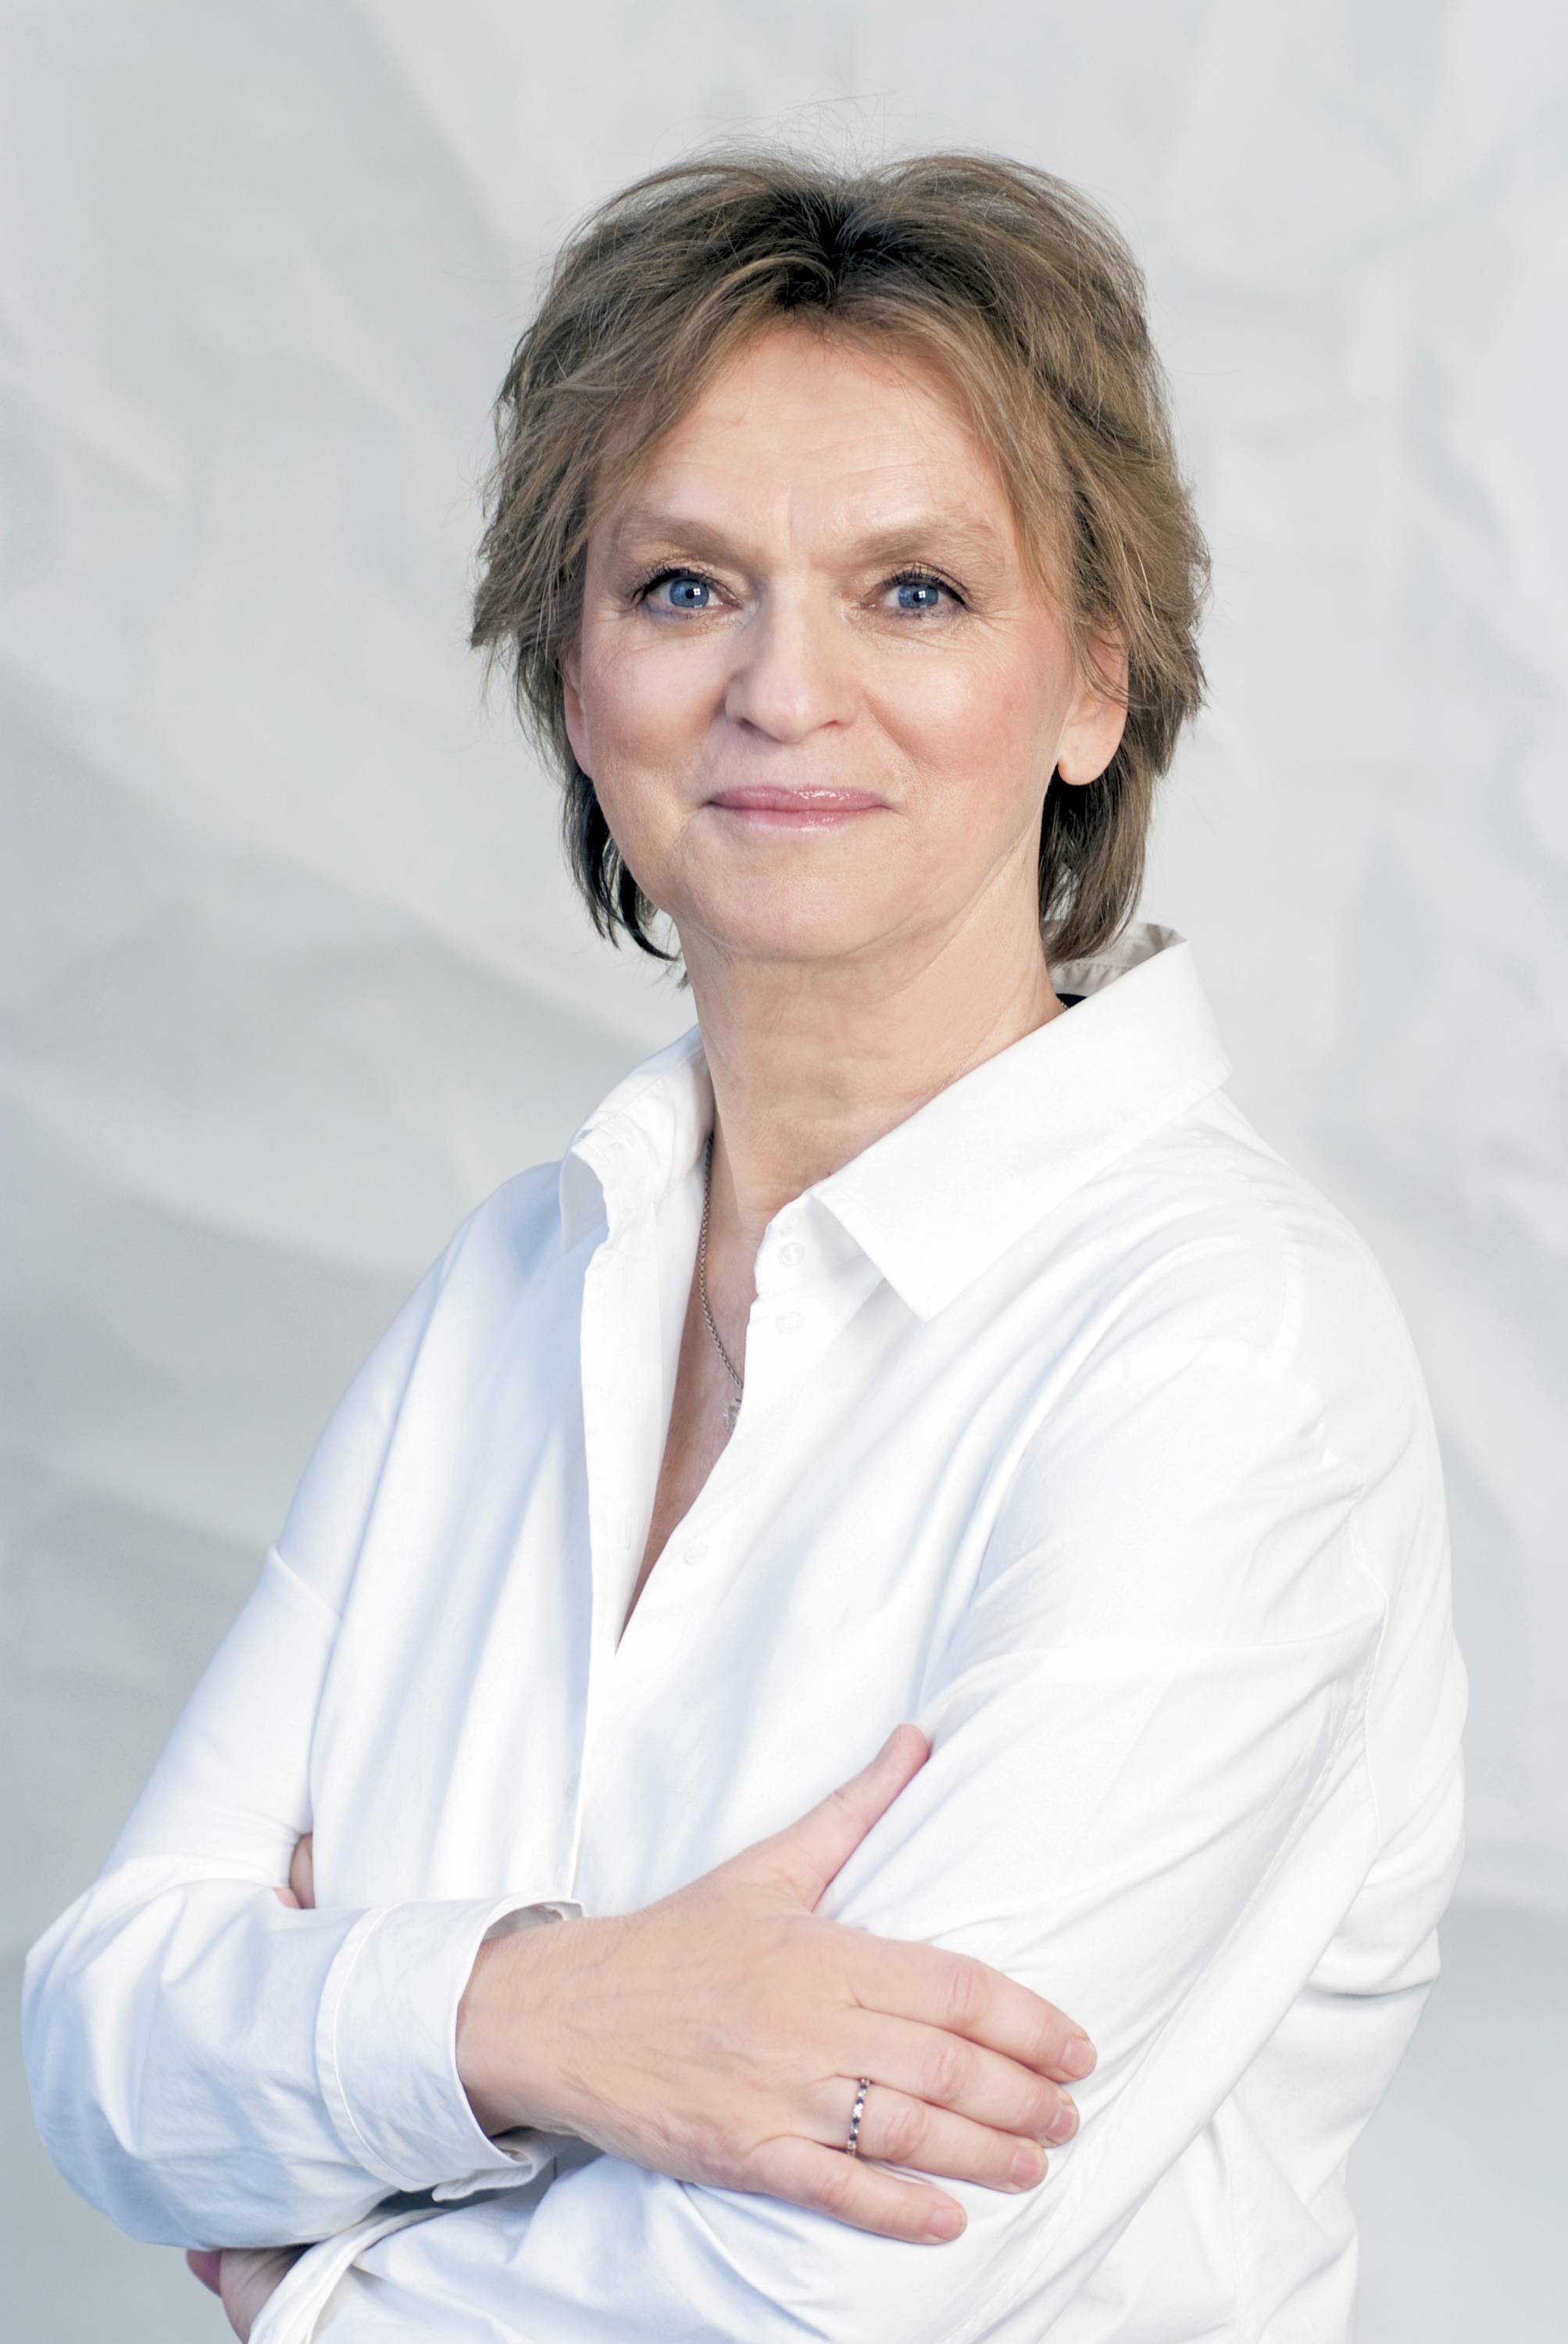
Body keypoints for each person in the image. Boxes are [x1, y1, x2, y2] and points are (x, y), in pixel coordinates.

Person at [22, 145, 1467, 2343]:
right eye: (687, 584)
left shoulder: (1222, 1359)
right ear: (573, 674)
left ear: (1096, 684)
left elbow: (821, 2293)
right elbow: (103, 2052)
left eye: (916, 592)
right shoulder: (521, 1288)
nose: (786, 690)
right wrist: (546, 2010)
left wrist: (313, 2266)